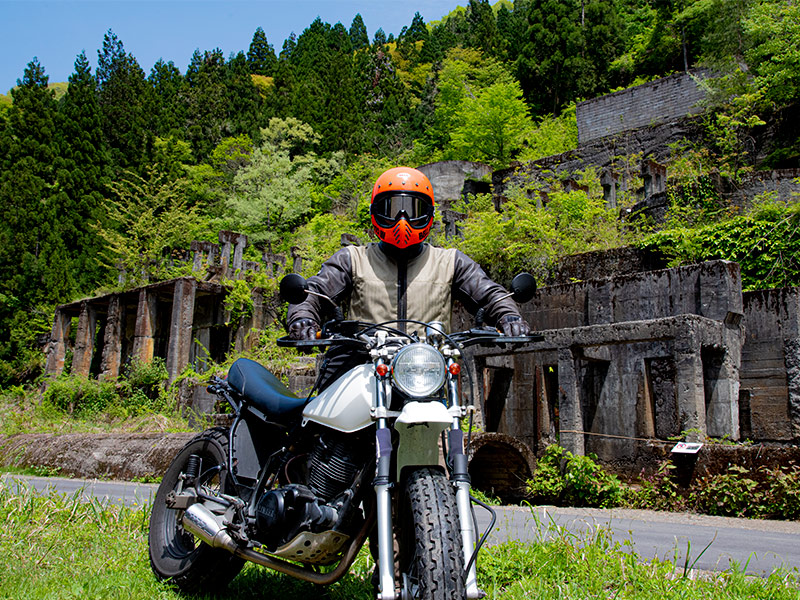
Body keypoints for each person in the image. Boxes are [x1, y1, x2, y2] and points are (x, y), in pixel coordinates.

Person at [287, 166, 530, 385]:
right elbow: (314, 292)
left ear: (428, 214)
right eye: (392, 209)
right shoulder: (352, 259)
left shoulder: (450, 262)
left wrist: (508, 316)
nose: (401, 220)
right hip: (359, 369)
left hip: (425, 375)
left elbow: (489, 293)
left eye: (412, 209)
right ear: (375, 212)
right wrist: (303, 318)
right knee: (328, 421)